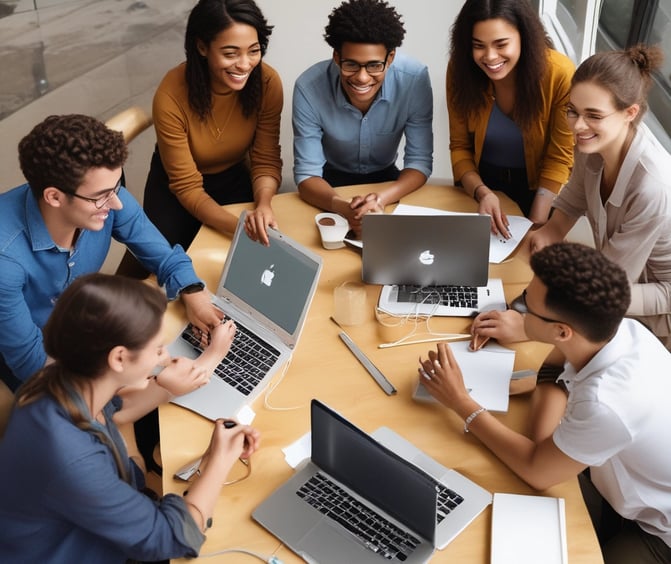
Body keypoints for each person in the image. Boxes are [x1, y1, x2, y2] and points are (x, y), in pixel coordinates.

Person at [419, 243, 671, 564]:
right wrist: (538, 382)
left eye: (526, 306)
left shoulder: (606, 401)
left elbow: (537, 470)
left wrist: (460, 402)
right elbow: (554, 368)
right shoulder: (624, 330)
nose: (518, 310)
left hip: (660, 531)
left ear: (562, 331)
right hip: (617, 482)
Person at [0, 273, 260, 562]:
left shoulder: (63, 379)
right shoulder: (72, 456)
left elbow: (116, 410)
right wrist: (221, 460)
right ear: (119, 358)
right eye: (157, 349)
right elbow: (171, 538)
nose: (165, 358)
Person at [0, 113, 222, 394]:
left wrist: (195, 294)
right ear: (54, 197)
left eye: (116, 187)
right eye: (102, 195)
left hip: (83, 332)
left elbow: (163, 257)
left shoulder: (104, 197)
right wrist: (130, 383)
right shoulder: (5, 260)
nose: (117, 203)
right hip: (34, 358)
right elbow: (32, 364)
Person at [473, 45, 671, 351]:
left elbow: (606, 288)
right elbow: (573, 199)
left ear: (629, 113)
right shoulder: (592, 144)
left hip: (658, 307)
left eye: (593, 115)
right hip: (617, 287)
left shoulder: (652, 186)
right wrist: (551, 230)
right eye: (573, 111)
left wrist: (530, 327)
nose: (578, 126)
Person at [143, 0, 282, 250]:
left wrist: (263, 205)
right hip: (175, 191)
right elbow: (186, 186)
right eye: (230, 54)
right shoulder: (170, 95)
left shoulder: (268, 83)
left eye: (253, 50)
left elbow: (265, 159)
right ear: (202, 47)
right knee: (161, 265)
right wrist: (239, 227)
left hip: (234, 180)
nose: (244, 64)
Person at [293, 0, 433, 237]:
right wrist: (343, 207)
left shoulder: (414, 79)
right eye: (351, 64)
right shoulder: (309, 88)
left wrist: (381, 199)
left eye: (374, 65)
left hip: (388, 180)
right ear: (336, 57)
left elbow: (419, 162)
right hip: (330, 182)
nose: (362, 78)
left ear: (390, 58)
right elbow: (307, 174)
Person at [447, 0, 574, 237]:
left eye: (501, 44)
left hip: (540, 192)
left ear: (524, 37)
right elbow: (460, 147)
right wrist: (482, 192)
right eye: (478, 46)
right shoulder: (459, 70)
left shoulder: (559, 73)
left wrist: (535, 224)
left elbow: (559, 158)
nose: (490, 57)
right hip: (480, 186)